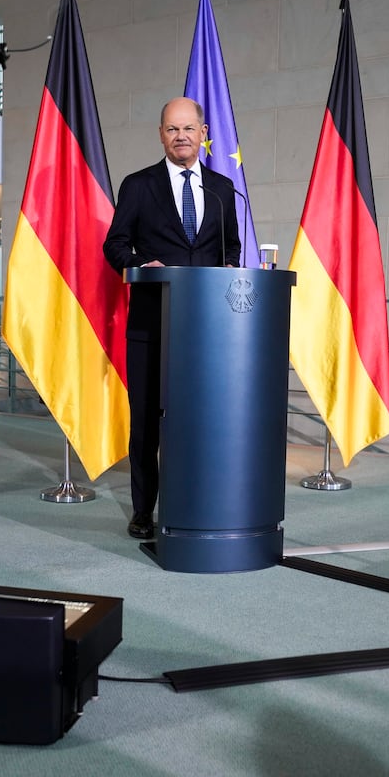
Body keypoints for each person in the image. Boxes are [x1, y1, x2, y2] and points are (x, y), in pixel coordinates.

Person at [103, 96, 242, 540]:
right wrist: (144, 265)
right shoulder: (138, 185)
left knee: (200, 420)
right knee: (146, 424)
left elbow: (232, 250)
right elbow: (115, 244)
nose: (181, 136)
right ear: (161, 134)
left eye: (188, 128)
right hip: (150, 325)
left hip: (206, 332)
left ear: (204, 133)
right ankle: (144, 511)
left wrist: (228, 273)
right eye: (171, 129)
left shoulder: (222, 190)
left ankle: (199, 504)